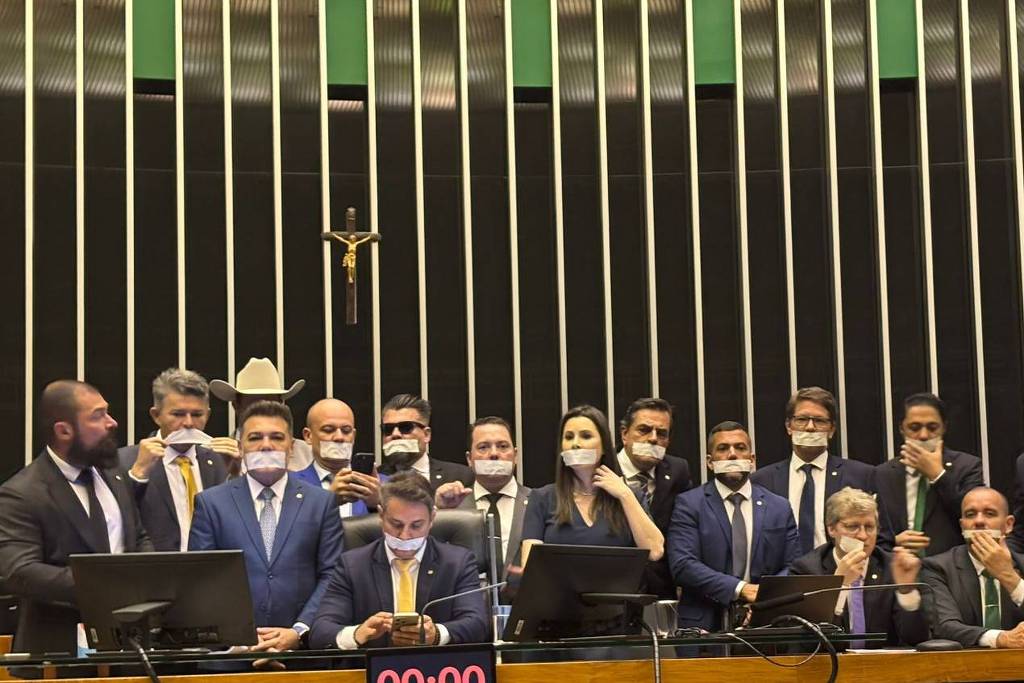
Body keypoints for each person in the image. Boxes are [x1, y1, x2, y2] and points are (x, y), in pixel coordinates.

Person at [0, 381, 152, 655]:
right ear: (64, 431)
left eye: (107, 412)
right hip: (59, 650)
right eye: (97, 416)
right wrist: (108, 584)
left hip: (130, 645)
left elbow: (137, 536)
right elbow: (20, 572)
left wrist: (151, 574)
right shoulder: (22, 493)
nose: (112, 422)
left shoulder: (114, 472)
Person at [188, 401, 342, 653]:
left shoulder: (321, 503)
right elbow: (201, 579)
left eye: (277, 437)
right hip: (231, 655)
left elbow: (332, 575)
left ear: (291, 447)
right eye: (255, 437)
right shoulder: (211, 503)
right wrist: (240, 640)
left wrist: (298, 631)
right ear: (241, 447)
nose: (266, 445)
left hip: (301, 654)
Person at [309, 471, 489, 648]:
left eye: (416, 525)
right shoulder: (353, 565)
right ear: (381, 516)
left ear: (432, 518)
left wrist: (436, 634)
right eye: (396, 524)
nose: (404, 536)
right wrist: (357, 633)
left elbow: (477, 624)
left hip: (436, 665)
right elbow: (320, 632)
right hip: (374, 665)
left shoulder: (457, 562)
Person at [667, 421, 798, 632]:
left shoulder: (779, 507)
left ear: (752, 459)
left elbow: (794, 566)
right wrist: (741, 589)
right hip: (704, 624)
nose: (732, 454)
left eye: (740, 447)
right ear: (710, 462)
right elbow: (683, 565)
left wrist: (764, 596)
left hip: (766, 621)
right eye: (722, 448)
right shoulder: (689, 504)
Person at [789, 487, 929, 647]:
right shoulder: (808, 570)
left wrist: (906, 591)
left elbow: (917, 639)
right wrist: (840, 586)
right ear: (831, 529)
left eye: (869, 527)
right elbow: (808, 645)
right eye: (852, 527)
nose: (863, 536)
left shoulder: (893, 566)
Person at [519, 404, 664, 558]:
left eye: (586, 436)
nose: (575, 443)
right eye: (568, 437)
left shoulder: (629, 495)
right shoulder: (542, 498)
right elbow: (530, 564)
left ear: (604, 447)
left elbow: (655, 552)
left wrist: (625, 495)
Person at [751, 387, 875, 555]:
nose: (810, 427)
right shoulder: (761, 481)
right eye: (802, 419)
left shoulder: (862, 476)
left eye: (819, 421)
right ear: (788, 426)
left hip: (841, 567)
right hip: (783, 570)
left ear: (832, 429)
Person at [119, 368, 228, 551]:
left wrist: (235, 475)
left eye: (197, 415)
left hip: (211, 566)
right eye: (178, 414)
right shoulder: (125, 461)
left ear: (208, 415)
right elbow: (117, 522)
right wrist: (138, 476)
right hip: (155, 566)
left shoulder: (220, 461)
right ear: (156, 415)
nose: (189, 423)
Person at [876, 393, 984, 556]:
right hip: (898, 564)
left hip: (950, 566)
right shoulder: (882, 474)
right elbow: (870, 529)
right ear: (901, 428)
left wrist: (938, 475)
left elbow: (976, 519)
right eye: (914, 428)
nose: (923, 435)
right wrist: (892, 541)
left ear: (944, 428)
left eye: (932, 428)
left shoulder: (967, 467)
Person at [921, 487, 1024, 648]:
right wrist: (1000, 638)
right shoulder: (937, 568)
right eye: (970, 514)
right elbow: (945, 626)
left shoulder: (1021, 565)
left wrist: (1008, 576)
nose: (979, 521)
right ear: (962, 526)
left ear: (1008, 524)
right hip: (964, 662)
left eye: (989, 513)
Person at [610, 397, 692, 598]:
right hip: (611, 587)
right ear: (624, 434)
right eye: (644, 430)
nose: (653, 438)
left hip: (660, 590)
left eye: (662, 433)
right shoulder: (603, 468)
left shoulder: (678, 471)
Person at [434, 416, 531, 578]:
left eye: (502, 446)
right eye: (483, 447)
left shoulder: (538, 502)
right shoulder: (453, 507)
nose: (494, 454)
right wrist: (439, 513)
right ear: (469, 459)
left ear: (515, 456)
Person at [209, 357, 314, 474]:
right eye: (254, 404)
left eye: (269, 403)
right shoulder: (217, 454)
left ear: (281, 404)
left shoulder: (308, 453)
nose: (263, 410)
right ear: (236, 405)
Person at [295, 398, 383, 518]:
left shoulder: (384, 485)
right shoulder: (289, 484)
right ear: (308, 436)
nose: (339, 437)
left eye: (346, 431)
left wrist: (377, 504)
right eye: (328, 430)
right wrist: (328, 501)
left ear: (354, 436)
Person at [379, 393, 473, 490]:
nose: (395, 434)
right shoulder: (375, 479)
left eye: (405, 427)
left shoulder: (461, 476)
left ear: (426, 434)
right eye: (388, 429)